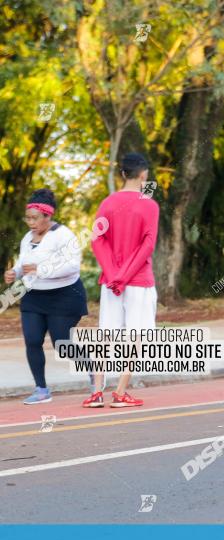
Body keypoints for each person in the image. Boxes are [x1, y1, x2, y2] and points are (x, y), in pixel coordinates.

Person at [83, 153, 159, 408]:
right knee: (135, 336)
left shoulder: (107, 203)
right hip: (138, 281)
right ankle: (120, 393)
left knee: (106, 335)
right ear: (143, 174)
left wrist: (114, 274)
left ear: (123, 174)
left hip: (111, 282)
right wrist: (125, 275)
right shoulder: (149, 205)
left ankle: (96, 392)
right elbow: (148, 244)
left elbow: (97, 239)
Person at [4, 189, 92, 404]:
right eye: (28, 218)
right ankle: (41, 389)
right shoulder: (28, 238)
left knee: (62, 343)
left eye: (35, 218)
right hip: (34, 296)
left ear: (47, 216)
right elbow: (24, 262)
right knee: (32, 341)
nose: (30, 223)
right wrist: (15, 272)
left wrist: (40, 269)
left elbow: (72, 267)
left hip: (64, 296)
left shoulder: (63, 235)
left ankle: (94, 373)